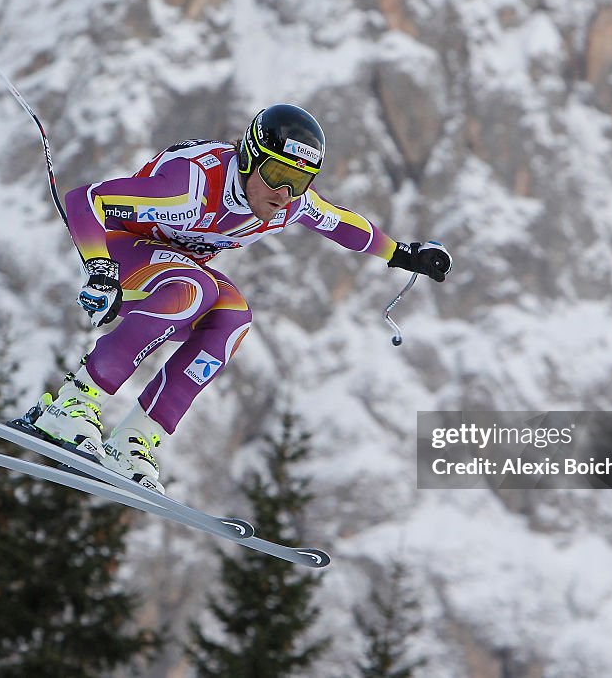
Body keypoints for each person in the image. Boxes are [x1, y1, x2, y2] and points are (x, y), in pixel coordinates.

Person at [30, 104, 452, 494]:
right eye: (276, 175)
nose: (285, 193)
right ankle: (73, 402)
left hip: (175, 265)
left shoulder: (288, 203)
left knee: (233, 317)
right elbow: (86, 199)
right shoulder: (192, 186)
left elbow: (340, 223)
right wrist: (101, 271)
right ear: (249, 158)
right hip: (120, 251)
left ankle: (134, 439)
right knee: (195, 288)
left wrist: (402, 254)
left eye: (299, 181)